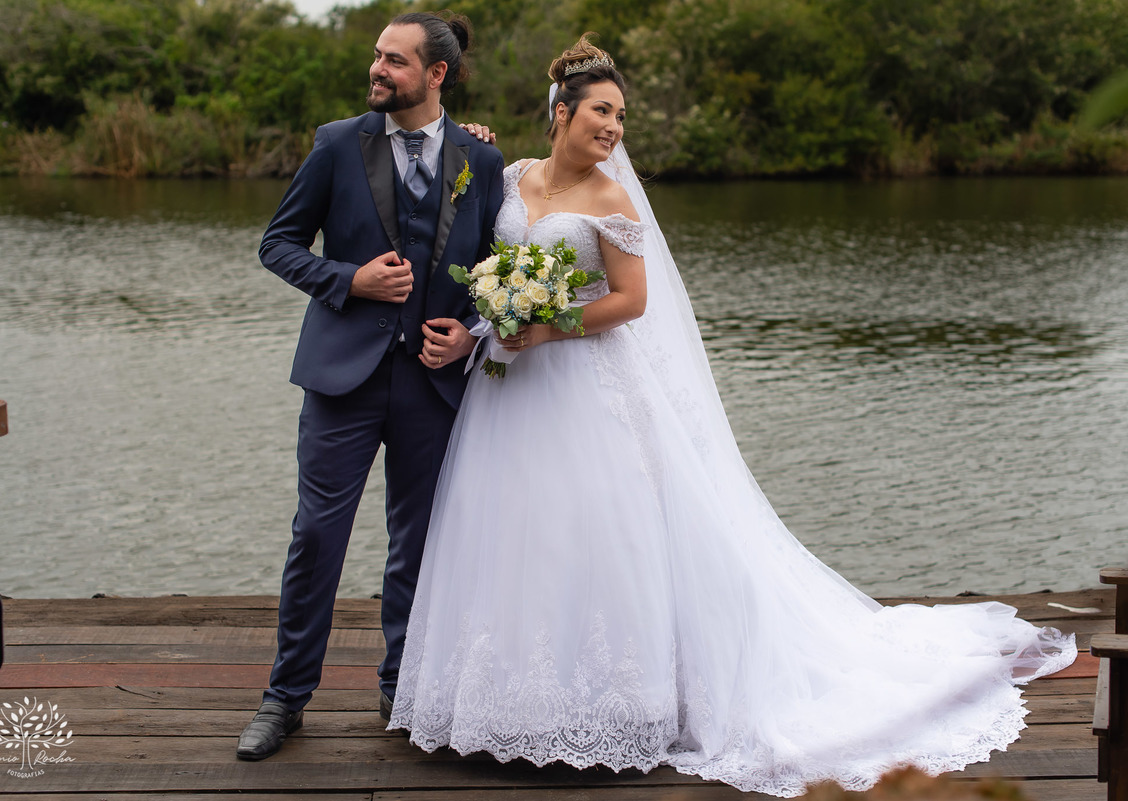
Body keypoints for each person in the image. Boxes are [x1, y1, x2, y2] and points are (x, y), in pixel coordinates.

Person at [386, 36, 1077, 797]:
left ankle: (613, 703)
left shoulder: (612, 199)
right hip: (509, 386)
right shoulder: (512, 176)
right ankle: (501, 704)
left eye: (621, 116)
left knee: (593, 530)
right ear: (561, 113)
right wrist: (494, 318)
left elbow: (630, 302)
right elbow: (479, 245)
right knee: (513, 530)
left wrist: (549, 325)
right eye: (602, 112)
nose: (614, 128)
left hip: (582, 378)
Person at [236, 11, 504, 761]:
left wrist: (470, 333)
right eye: (376, 57)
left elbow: (495, 274)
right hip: (341, 382)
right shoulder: (334, 144)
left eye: (394, 60)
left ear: (436, 74)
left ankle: (402, 689)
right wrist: (346, 279)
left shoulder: (479, 159)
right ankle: (285, 697)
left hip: (432, 386)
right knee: (317, 537)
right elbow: (277, 244)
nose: (377, 70)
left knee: (417, 544)